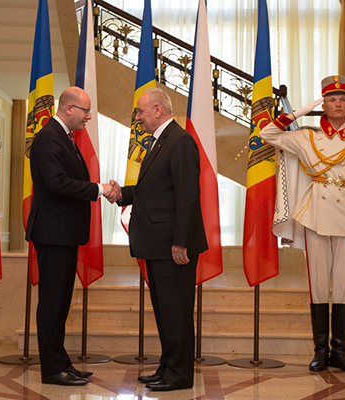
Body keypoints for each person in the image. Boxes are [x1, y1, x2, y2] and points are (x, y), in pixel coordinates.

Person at [260, 75, 345, 373]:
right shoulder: (306, 137)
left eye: (343, 98)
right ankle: (320, 351)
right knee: (318, 286)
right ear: (324, 104)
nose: (338, 103)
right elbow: (268, 133)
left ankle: (339, 352)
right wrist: (301, 111)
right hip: (316, 215)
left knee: (343, 287)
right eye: (331, 99)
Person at [111, 87, 208, 391]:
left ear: (157, 109)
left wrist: (180, 241)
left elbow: (188, 195)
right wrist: (122, 194)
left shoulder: (180, 141)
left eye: (140, 112)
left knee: (176, 312)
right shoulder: (160, 141)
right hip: (158, 244)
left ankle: (179, 375)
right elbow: (153, 190)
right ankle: (167, 367)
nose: (137, 118)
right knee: (166, 311)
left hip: (172, 247)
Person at [25, 86, 118, 386]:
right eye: (85, 110)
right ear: (68, 108)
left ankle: (62, 361)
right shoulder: (48, 138)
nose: (88, 116)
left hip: (63, 232)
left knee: (61, 302)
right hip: (53, 232)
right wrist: (100, 189)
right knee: (52, 303)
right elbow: (57, 183)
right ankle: (52, 370)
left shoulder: (63, 136)